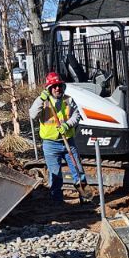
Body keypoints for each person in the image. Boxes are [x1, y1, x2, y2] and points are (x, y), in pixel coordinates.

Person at [29, 72, 88, 203]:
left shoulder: (68, 99)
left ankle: (84, 197)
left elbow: (77, 116)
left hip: (68, 142)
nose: (57, 88)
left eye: (59, 86)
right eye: (54, 86)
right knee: (55, 175)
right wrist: (40, 99)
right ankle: (57, 201)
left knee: (78, 170)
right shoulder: (43, 101)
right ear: (49, 88)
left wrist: (67, 125)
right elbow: (32, 115)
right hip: (50, 144)